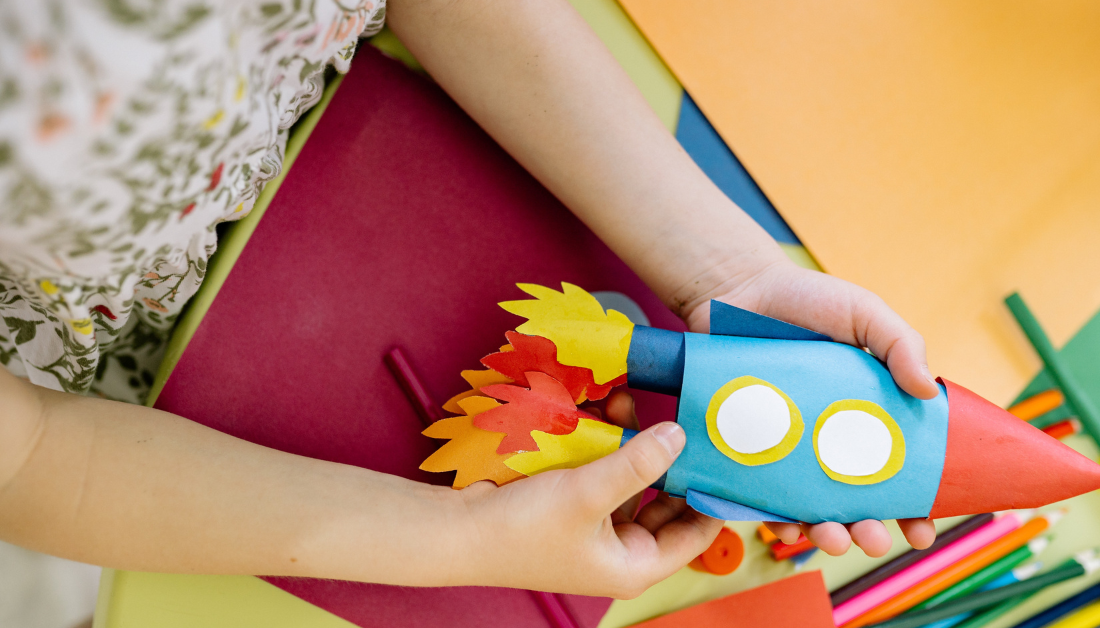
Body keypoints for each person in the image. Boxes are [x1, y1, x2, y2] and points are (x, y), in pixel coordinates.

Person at [0, 0, 939, 600]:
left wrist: (728, 273)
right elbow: (30, 457)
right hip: (160, 380)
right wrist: (460, 543)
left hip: (421, 124)